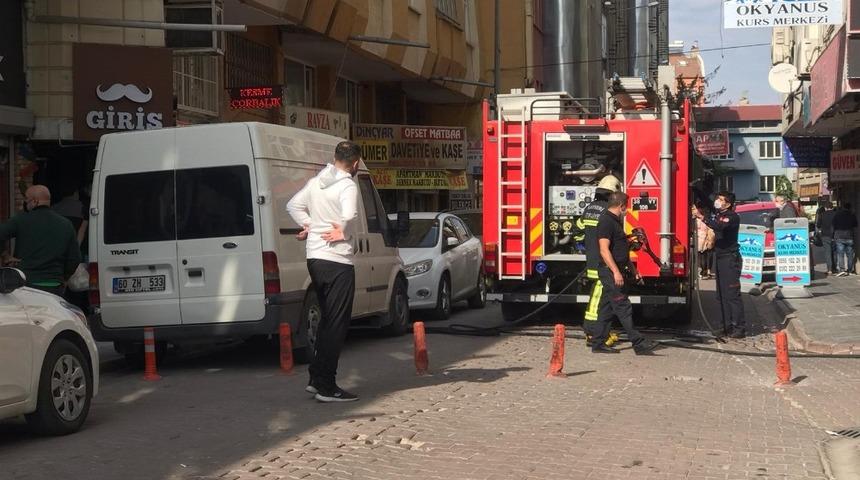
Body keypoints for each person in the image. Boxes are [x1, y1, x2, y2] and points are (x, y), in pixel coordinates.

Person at [287, 141, 361, 403]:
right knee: (336, 324)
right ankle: (327, 386)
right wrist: (343, 231)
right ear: (355, 164)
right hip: (338, 260)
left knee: (327, 320)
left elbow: (292, 205)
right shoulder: (348, 185)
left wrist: (311, 226)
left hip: (315, 258)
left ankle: (315, 379)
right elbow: (350, 213)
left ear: (335, 157)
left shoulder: (317, 181)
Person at [589, 191, 658, 355]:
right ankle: (638, 343)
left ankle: (598, 343)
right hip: (610, 272)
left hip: (617, 270)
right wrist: (615, 272)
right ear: (621, 206)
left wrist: (634, 271)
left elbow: (622, 251)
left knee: (606, 309)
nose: (627, 210)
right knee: (623, 307)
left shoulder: (616, 221)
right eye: (625, 207)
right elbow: (604, 250)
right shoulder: (606, 221)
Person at [0, 185, 81, 295]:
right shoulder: (66, 224)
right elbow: (74, 259)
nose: (25, 203)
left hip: (26, 285)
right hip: (54, 286)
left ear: (35, 201)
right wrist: (63, 277)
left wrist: (5, 255)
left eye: (26, 199)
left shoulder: (21, 220)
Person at [694, 191, 745, 338]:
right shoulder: (719, 214)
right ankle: (725, 326)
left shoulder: (732, 217)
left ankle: (739, 328)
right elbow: (710, 204)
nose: (717, 201)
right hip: (721, 258)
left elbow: (719, 226)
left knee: (732, 295)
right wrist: (699, 191)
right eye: (717, 198)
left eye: (721, 200)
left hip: (730, 259)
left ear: (728, 204)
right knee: (721, 295)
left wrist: (702, 217)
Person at [581, 174, 622, 348]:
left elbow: (579, 229)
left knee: (597, 295)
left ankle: (597, 330)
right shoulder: (608, 212)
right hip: (602, 262)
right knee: (598, 298)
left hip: (591, 259)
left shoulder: (590, 208)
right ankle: (592, 331)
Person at [833, 203, 857, 277]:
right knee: (850, 254)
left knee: (840, 254)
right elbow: (855, 224)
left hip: (839, 236)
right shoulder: (852, 215)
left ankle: (842, 270)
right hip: (849, 237)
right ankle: (849, 270)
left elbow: (833, 224)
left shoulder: (837, 215)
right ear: (850, 208)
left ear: (843, 207)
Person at [816, 202, 837, 275]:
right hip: (835, 235)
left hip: (825, 236)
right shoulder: (836, 214)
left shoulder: (822, 215)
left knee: (827, 252)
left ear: (825, 208)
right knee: (834, 252)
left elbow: (818, 225)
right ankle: (835, 268)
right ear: (832, 207)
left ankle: (830, 270)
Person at [695, 206, 715, 279]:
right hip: (707, 239)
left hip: (702, 238)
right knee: (705, 255)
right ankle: (706, 271)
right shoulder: (708, 218)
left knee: (701, 255)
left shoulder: (700, 219)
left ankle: (702, 271)